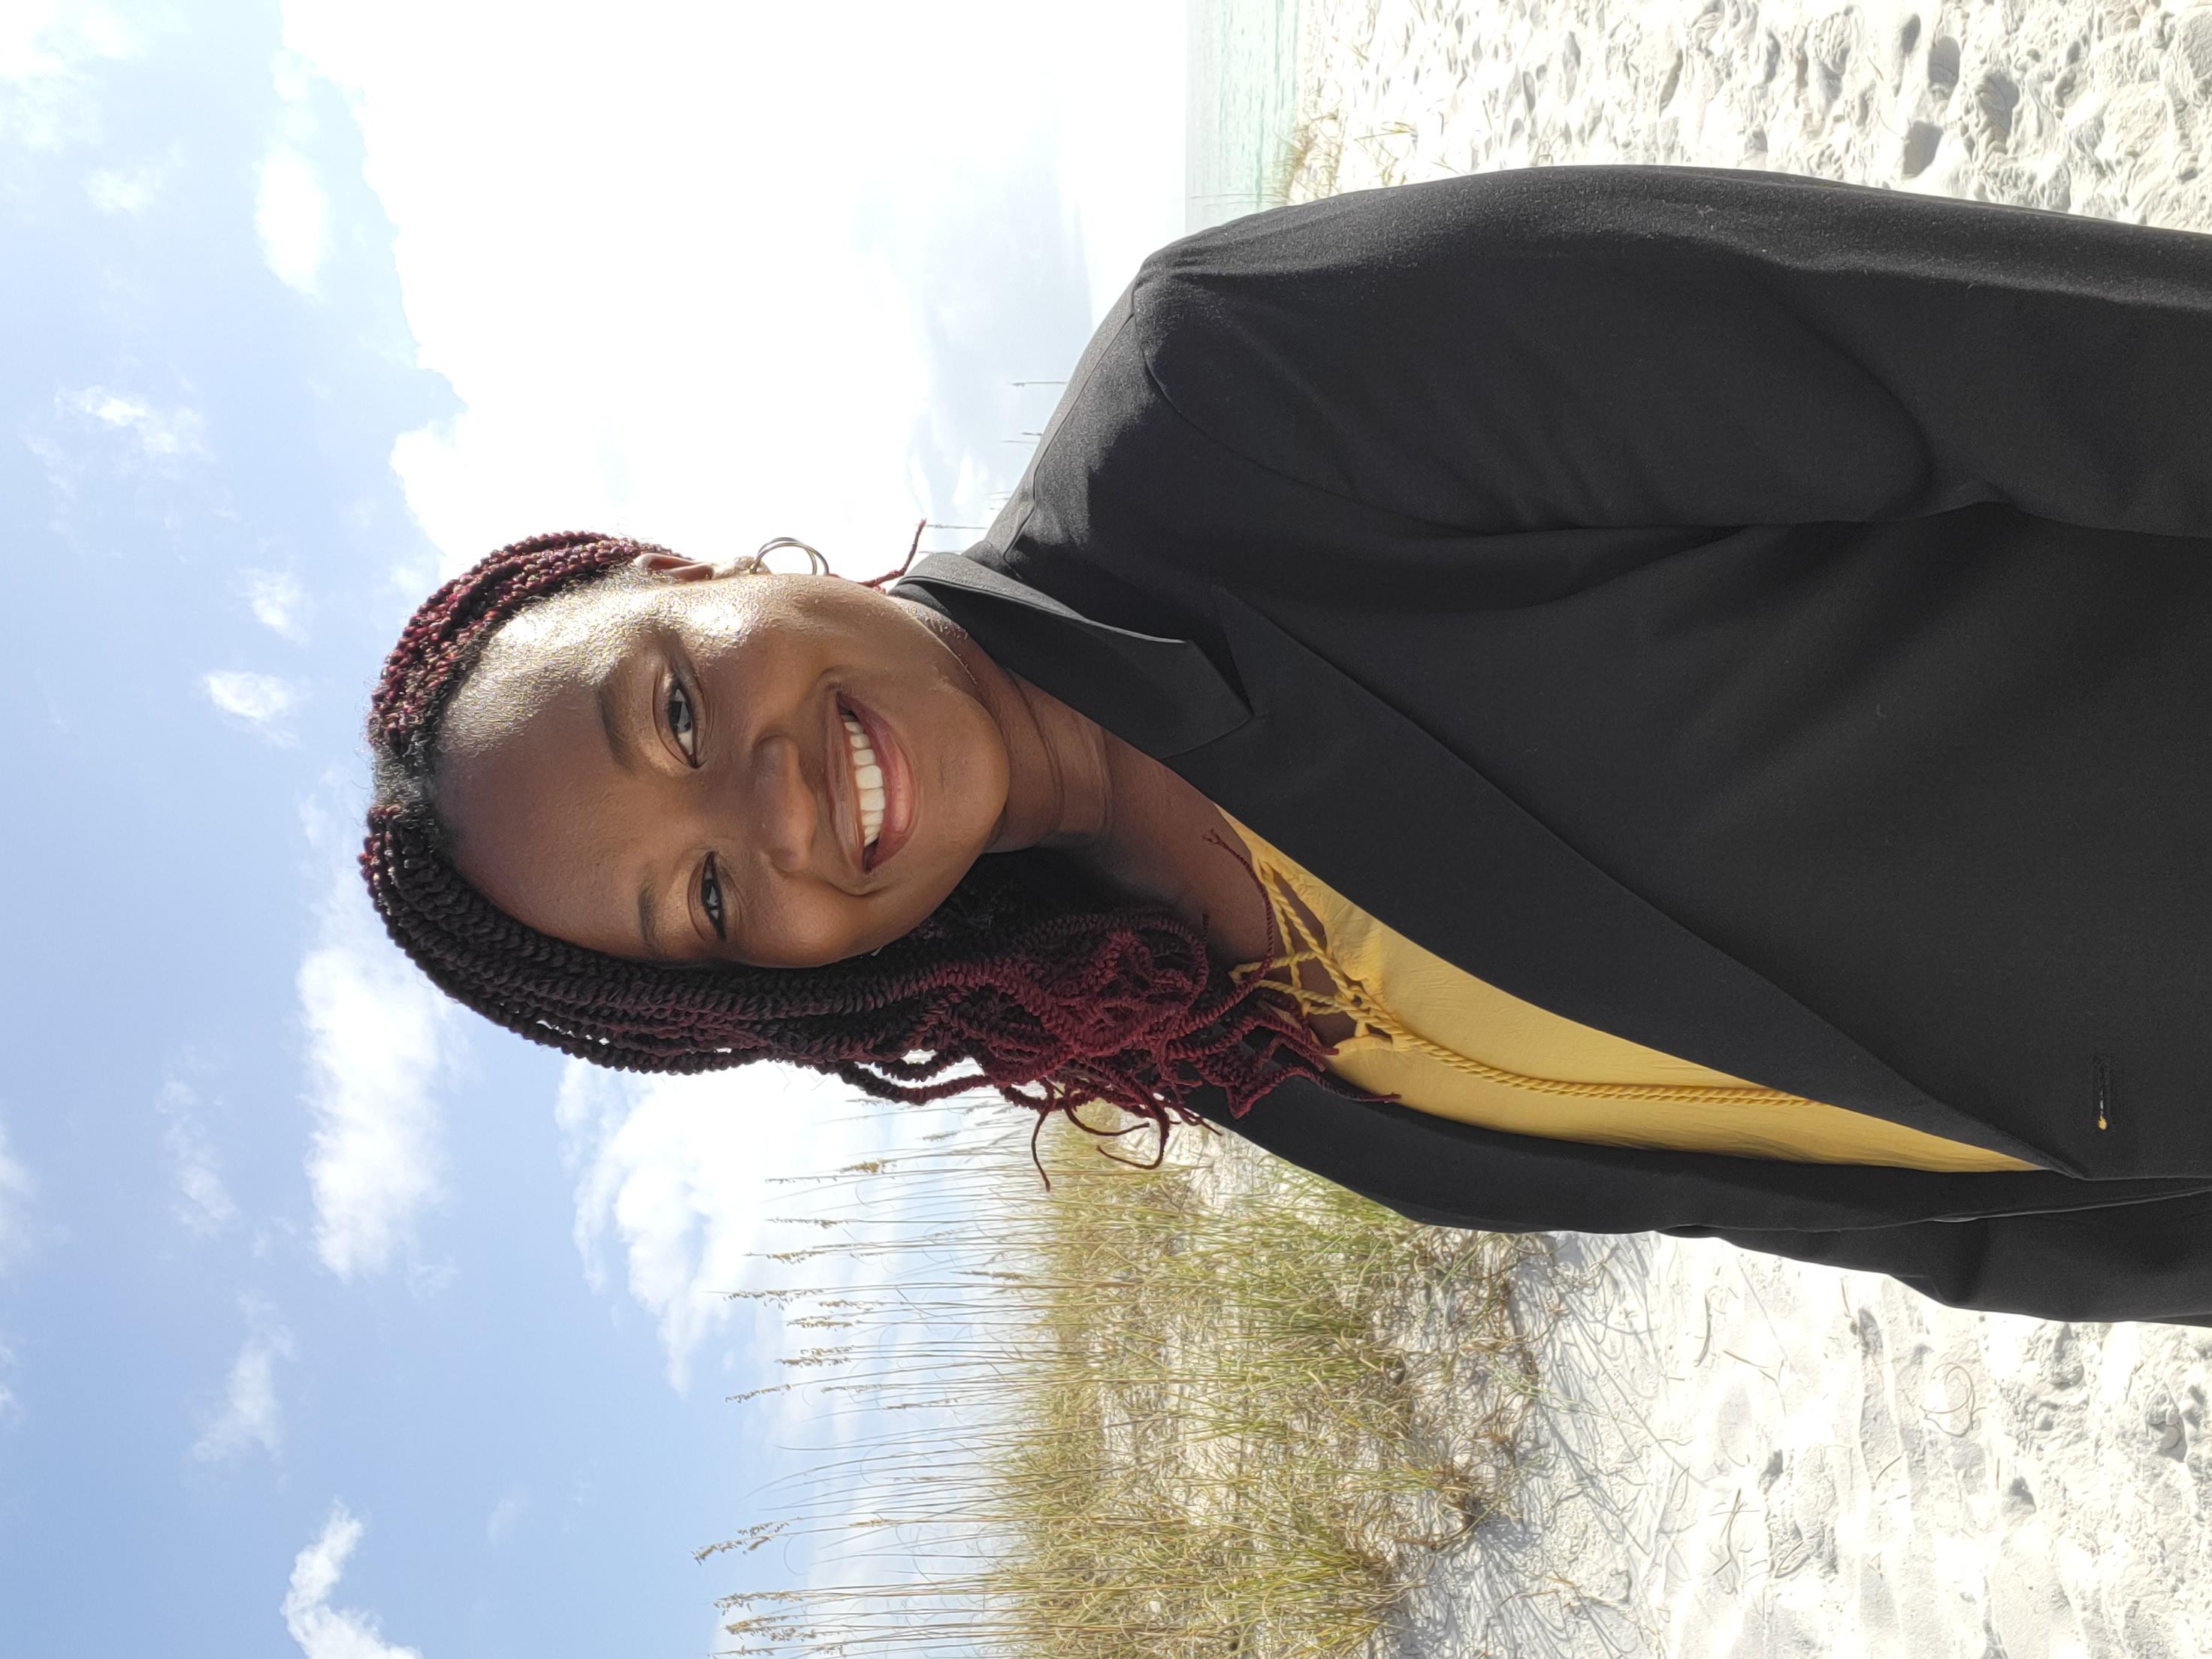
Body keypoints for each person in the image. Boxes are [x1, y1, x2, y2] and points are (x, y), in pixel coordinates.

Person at [367, 162, 2212, 1328]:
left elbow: (2025, 360)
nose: (762, 808)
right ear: (765, 989)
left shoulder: (1236, 394)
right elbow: (1882, 1200)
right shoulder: (1256, 1068)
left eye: (676, 702)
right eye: (699, 902)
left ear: (713, 573)